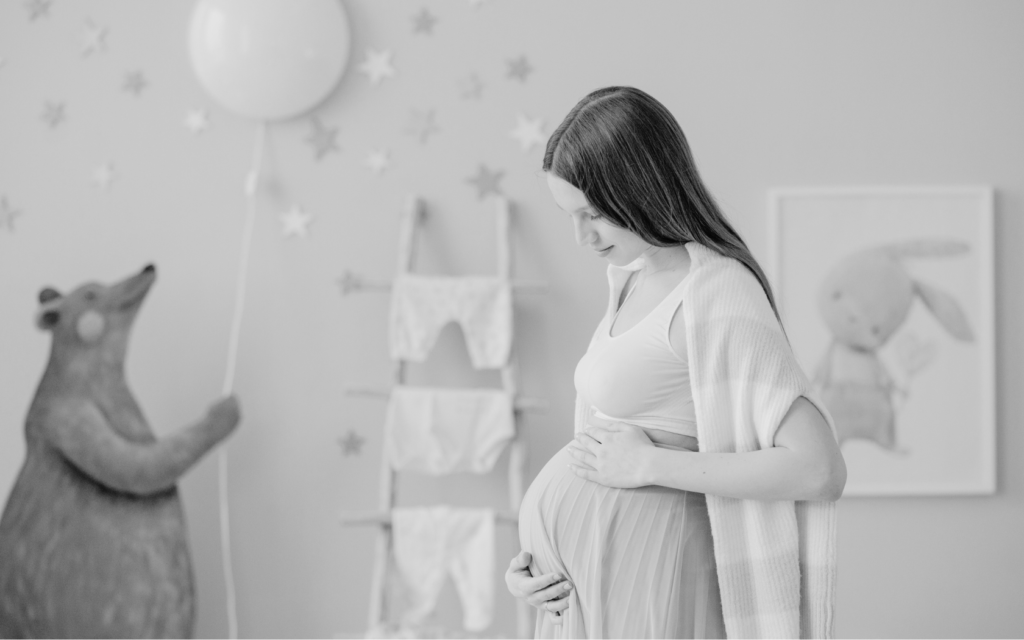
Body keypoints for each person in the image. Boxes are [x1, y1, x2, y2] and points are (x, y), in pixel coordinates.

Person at [505, 86, 847, 639]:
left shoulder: (718, 292)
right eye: (570, 215)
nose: (581, 237)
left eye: (593, 214)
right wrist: (535, 564)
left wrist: (651, 467)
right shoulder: (633, 280)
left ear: (641, 190)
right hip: (589, 590)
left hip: (654, 578)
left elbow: (820, 469)